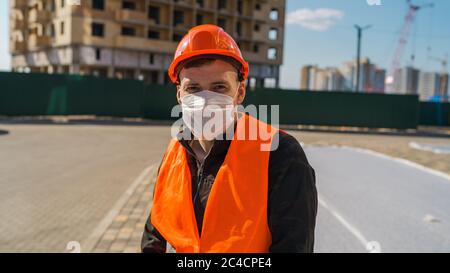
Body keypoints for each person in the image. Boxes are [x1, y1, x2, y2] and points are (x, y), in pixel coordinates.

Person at [141, 24, 317, 253]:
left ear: (240, 92)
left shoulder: (280, 153)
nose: (204, 100)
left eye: (219, 87)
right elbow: (154, 235)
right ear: (179, 95)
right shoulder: (174, 151)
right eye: (193, 88)